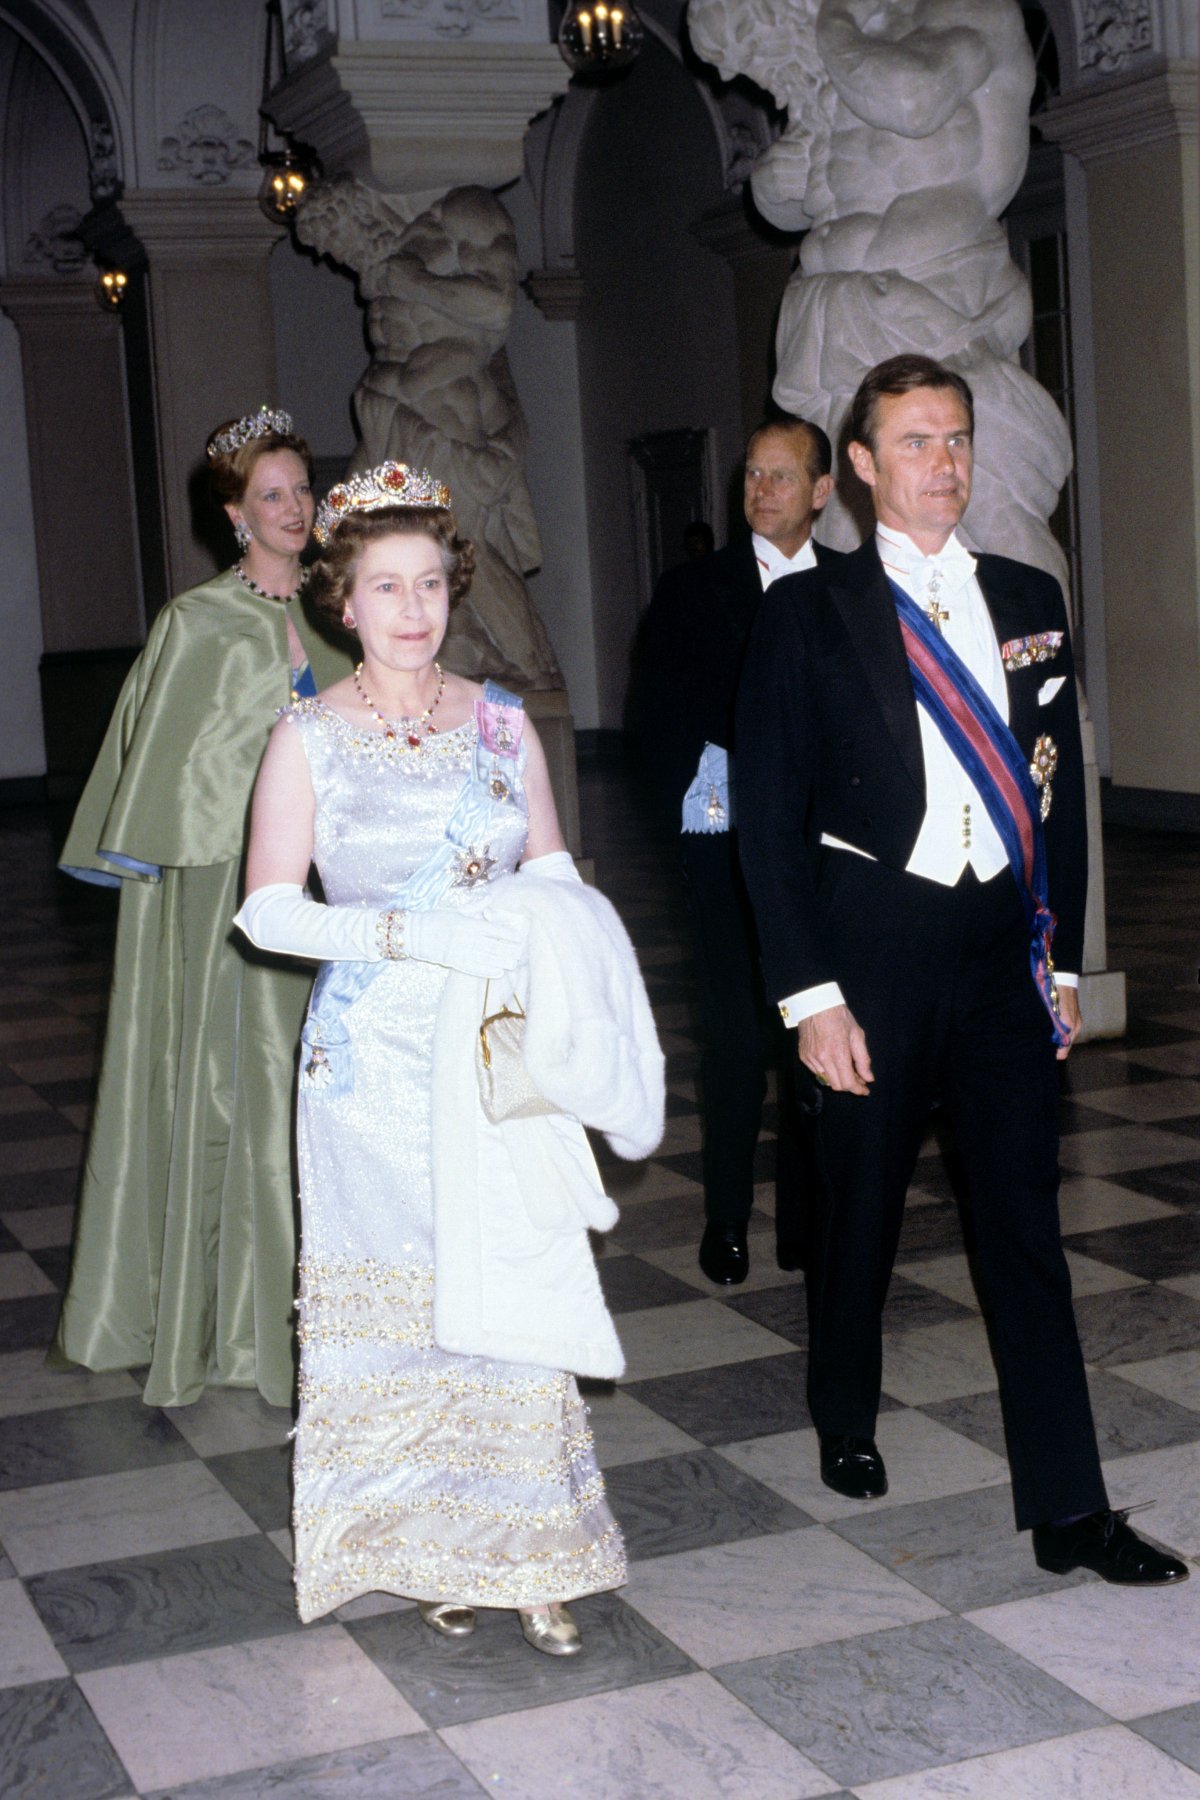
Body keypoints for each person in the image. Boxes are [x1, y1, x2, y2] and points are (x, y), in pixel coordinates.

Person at [735, 355, 1188, 1584]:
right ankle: (843, 1410)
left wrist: (1066, 959)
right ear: (866, 467)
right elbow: (768, 824)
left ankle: (1071, 1509)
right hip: (871, 950)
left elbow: (1062, 801)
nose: (944, 464)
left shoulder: (1030, 591)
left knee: (1025, 1230)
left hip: (999, 953)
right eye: (916, 443)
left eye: (957, 441)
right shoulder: (809, 612)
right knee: (861, 1210)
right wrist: (809, 996)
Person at [235, 462, 662, 1654]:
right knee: (407, 1307)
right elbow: (266, 911)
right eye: (386, 586)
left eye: (430, 582)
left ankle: (528, 1552)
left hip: (491, 1051)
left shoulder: (502, 721)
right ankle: (425, 1547)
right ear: (343, 600)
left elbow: (555, 878)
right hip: (368, 1066)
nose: (413, 609)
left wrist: (575, 991)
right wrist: (402, 930)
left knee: (509, 1288)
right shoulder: (308, 737)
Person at [52, 408, 352, 1408]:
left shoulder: (343, 607)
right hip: (226, 889)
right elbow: (169, 776)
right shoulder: (196, 623)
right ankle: (242, 1319)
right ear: (235, 515)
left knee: (332, 1088)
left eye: (303, 490)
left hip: (337, 891)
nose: (294, 508)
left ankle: (345, 1306)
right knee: (243, 1088)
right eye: (272, 495)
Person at [637, 417, 840, 1285]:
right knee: (732, 1038)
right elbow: (654, 724)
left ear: (822, 492)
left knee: (816, 1034)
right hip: (722, 851)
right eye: (752, 475)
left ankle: (804, 1220)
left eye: (780, 477)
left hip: (824, 859)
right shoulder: (693, 591)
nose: (760, 491)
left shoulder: (850, 593)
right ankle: (726, 1218)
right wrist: (694, 831)